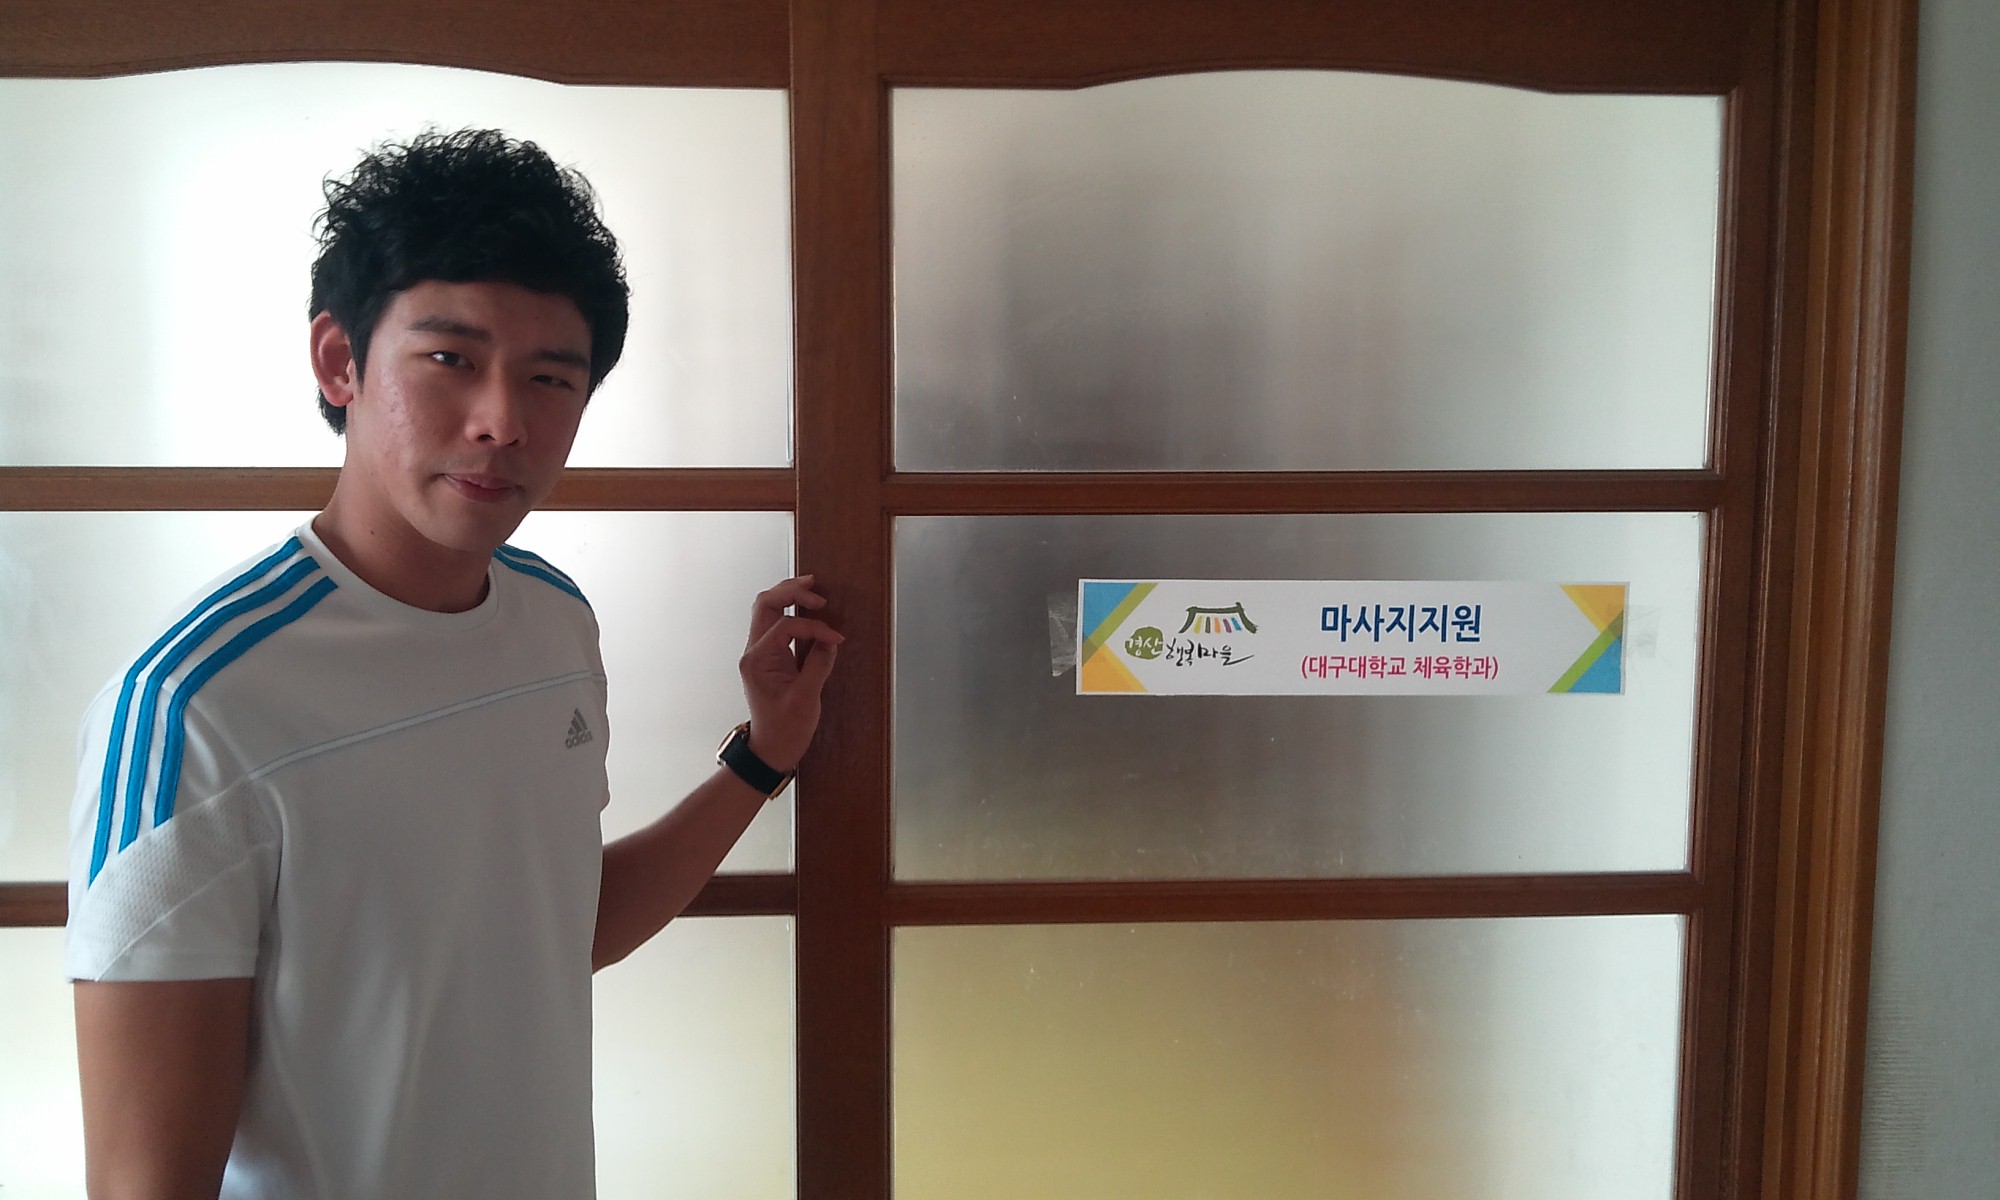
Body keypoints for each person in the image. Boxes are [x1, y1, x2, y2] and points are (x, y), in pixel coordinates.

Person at [64, 128, 840, 1199]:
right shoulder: (193, 708)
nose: (501, 422)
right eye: (450, 361)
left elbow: (561, 927)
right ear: (339, 361)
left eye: (550, 378)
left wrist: (763, 756)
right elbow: (146, 1181)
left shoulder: (554, 623)